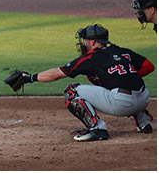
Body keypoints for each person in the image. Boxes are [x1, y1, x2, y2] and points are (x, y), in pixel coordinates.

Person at [9, 24, 155, 141]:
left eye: (85, 40)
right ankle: (143, 122)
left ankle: (97, 128)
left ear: (92, 41)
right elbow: (149, 66)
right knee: (130, 85)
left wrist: (29, 77)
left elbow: (56, 74)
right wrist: (126, 76)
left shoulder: (91, 58)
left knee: (71, 91)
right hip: (143, 100)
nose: (83, 43)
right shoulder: (122, 51)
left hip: (122, 104)